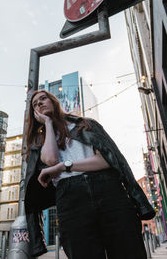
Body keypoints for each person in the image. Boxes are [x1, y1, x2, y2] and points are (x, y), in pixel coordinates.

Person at [24, 90, 155, 259]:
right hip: (70, 199)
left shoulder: (85, 125)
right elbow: (51, 159)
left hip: (108, 189)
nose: (40, 103)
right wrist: (48, 123)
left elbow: (107, 160)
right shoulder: (39, 143)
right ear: (35, 114)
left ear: (53, 101)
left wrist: (65, 166)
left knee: (128, 251)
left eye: (43, 99)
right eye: (35, 104)